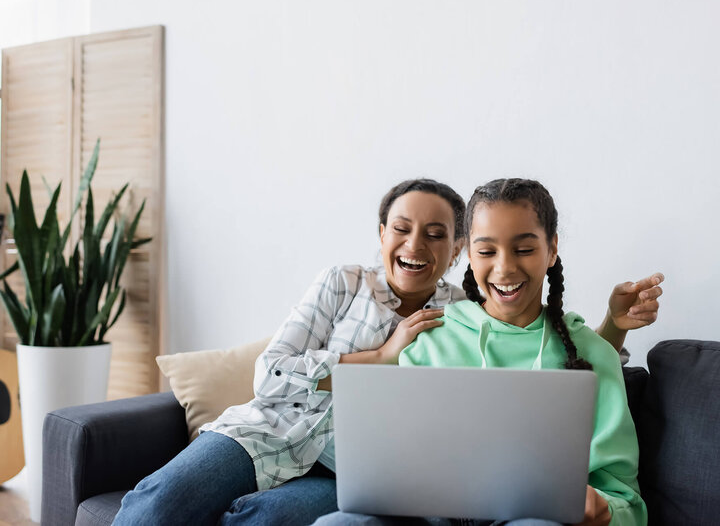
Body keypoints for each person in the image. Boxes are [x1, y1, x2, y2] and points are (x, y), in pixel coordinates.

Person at [112, 179, 661, 526]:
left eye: (435, 235)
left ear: (451, 256)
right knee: (162, 501)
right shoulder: (369, 296)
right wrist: (381, 356)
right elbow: (271, 374)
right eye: (402, 229)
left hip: (355, 474)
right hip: (274, 437)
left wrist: (611, 329)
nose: (416, 245)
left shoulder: (475, 317)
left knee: (265, 516)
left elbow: (572, 366)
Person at [315, 178, 647, 526]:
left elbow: (628, 502)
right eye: (487, 251)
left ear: (552, 250)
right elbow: (391, 459)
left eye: (523, 250)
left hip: (530, 517)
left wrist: (605, 509)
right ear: (470, 256)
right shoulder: (430, 334)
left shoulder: (593, 354)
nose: (504, 268)